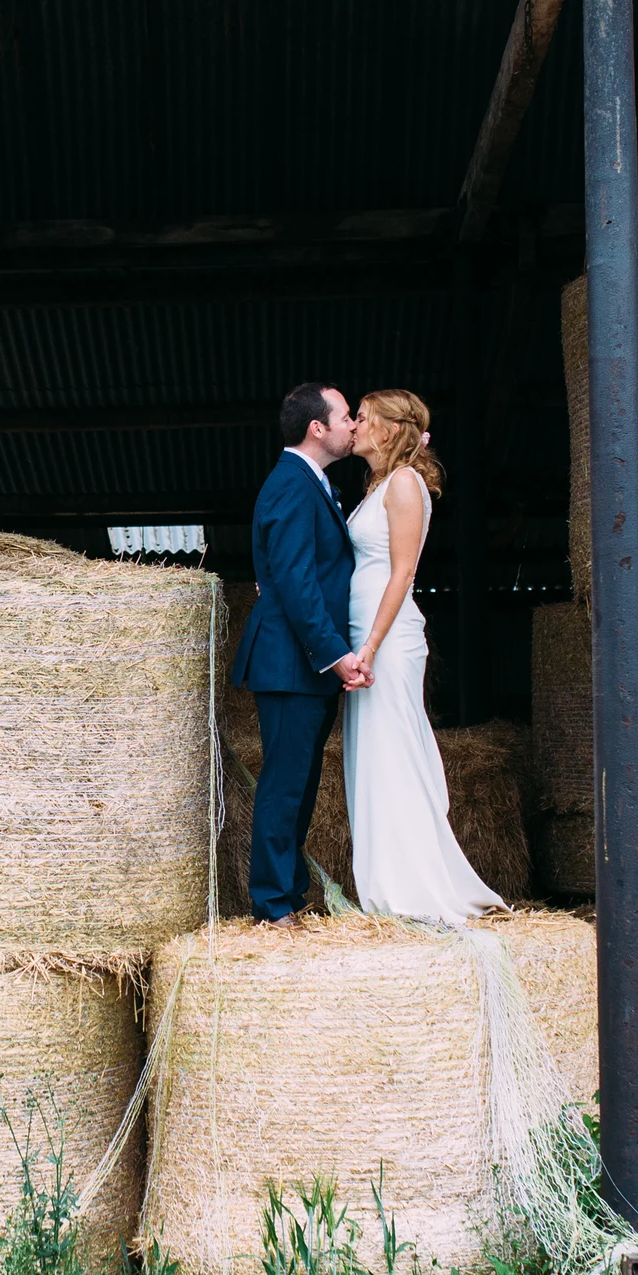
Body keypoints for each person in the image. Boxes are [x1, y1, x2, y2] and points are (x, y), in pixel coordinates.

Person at [341, 388, 504, 925]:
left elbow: (403, 573)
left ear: (389, 428)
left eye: (362, 418)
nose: (354, 425)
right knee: (374, 754)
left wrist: (368, 647)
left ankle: (411, 885)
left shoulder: (406, 484)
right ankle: (385, 878)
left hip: (385, 640)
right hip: (366, 635)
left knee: (394, 750)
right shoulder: (379, 485)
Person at [230, 383, 369, 923]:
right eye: (344, 417)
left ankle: (288, 895)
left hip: (304, 664)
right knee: (284, 786)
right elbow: (295, 582)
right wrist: (334, 653)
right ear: (318, 428)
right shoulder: (291, 484)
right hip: (292, 662)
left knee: (301, 786)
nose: (352, 425)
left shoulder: (312, 482)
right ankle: (270, 904)